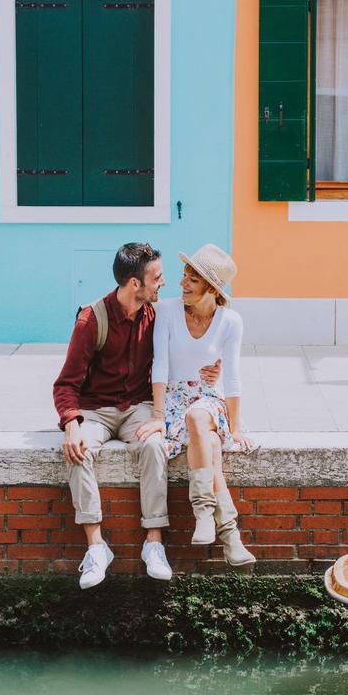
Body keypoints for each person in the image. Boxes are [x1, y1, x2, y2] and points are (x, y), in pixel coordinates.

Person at [53, 243, 220, 589]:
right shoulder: (91, 320)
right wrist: (72, 424)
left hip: (138, 408)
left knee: (154, 445)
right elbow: (66, 384)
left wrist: (211, 372)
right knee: (77, 451)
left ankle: (154, 543)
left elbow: (186, 353)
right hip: (95, 410)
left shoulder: (159, 315)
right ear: (134, 284)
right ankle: (96, 548)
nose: (164, 283)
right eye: (156, 277)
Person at [150, 243, 256, 567]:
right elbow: (160, 365)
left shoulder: (230, 321)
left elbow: (233, 377)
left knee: (200, 417)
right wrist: (156, 414)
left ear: (210, 287)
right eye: (184, 276)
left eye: (192, 279)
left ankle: (203, 512)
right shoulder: (167, 311)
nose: (182, 283)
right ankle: (230, 533)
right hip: (172, 401)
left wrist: (235, 429)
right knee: (209, 442)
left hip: (209, 398)